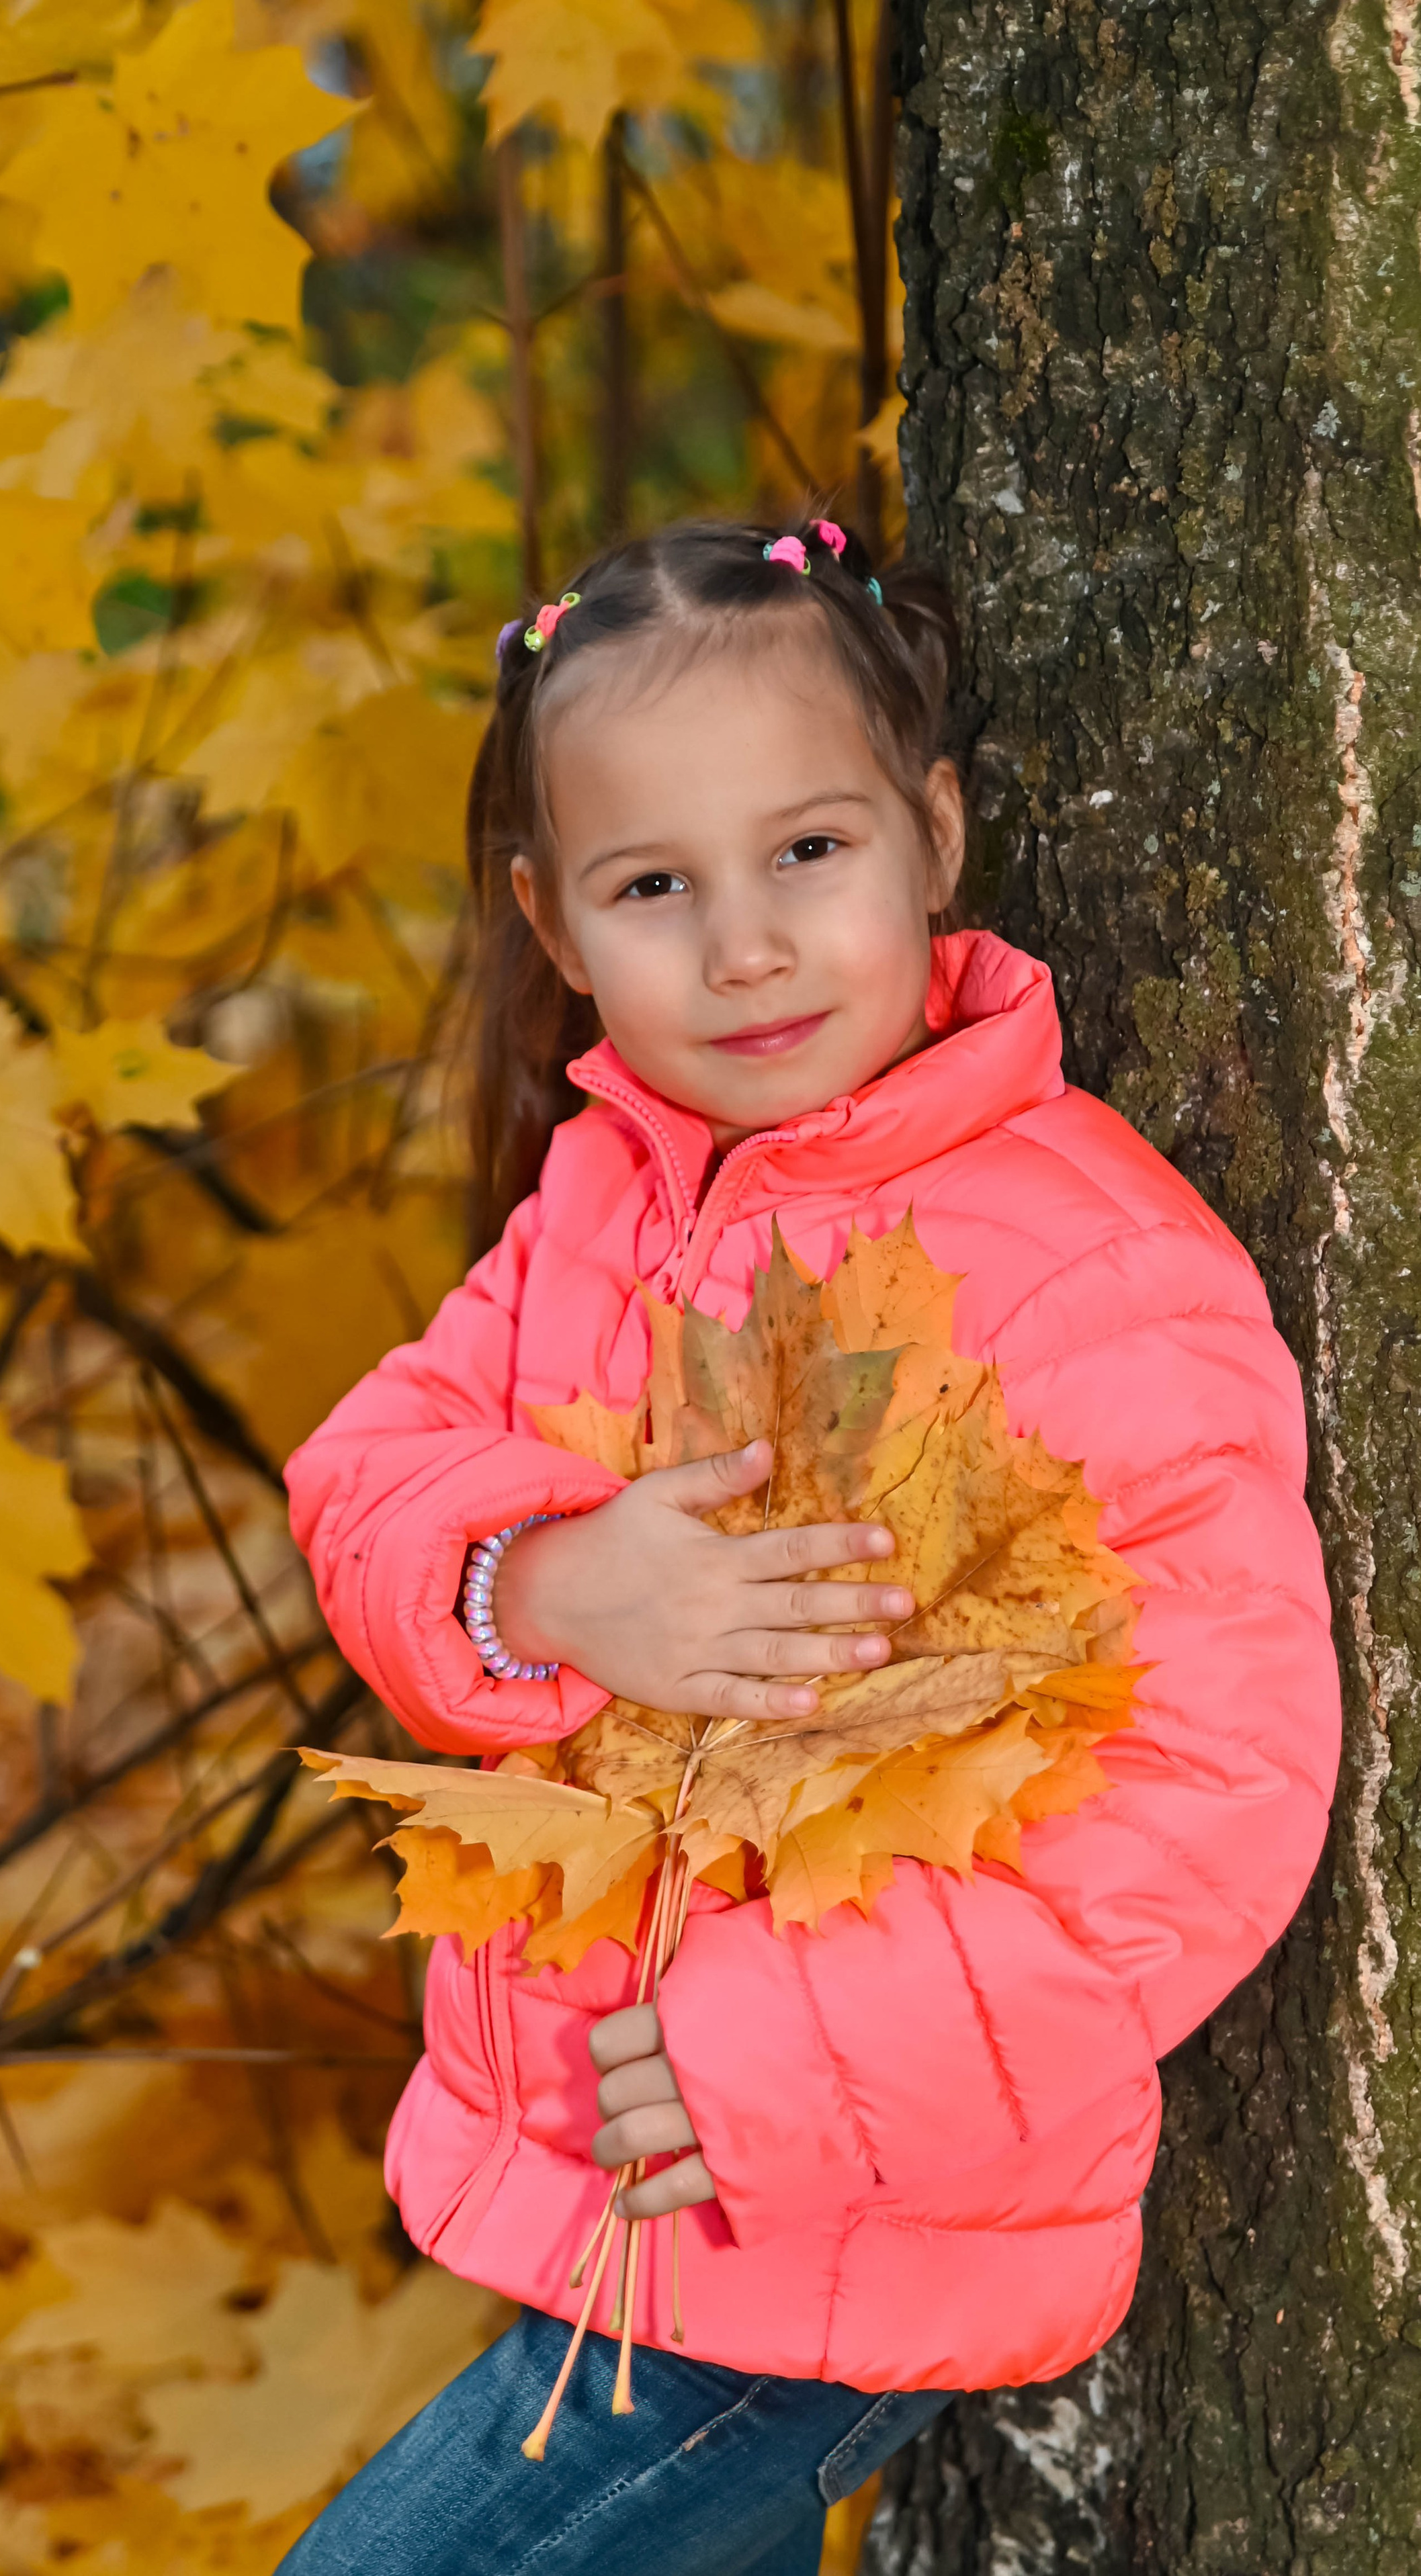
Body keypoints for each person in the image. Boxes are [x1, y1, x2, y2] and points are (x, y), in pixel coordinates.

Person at [279, 517, 1339, 2574]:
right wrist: (539, 1578)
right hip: (627, 2186)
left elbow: (1218, 1768)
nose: (745, 945)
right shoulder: (606, 1204)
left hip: (835, 2199)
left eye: (809, 854)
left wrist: (789, 2056)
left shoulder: (1083, 1258)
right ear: (555, 924)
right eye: (655, 887)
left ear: (931, 833)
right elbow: (375, 1465)